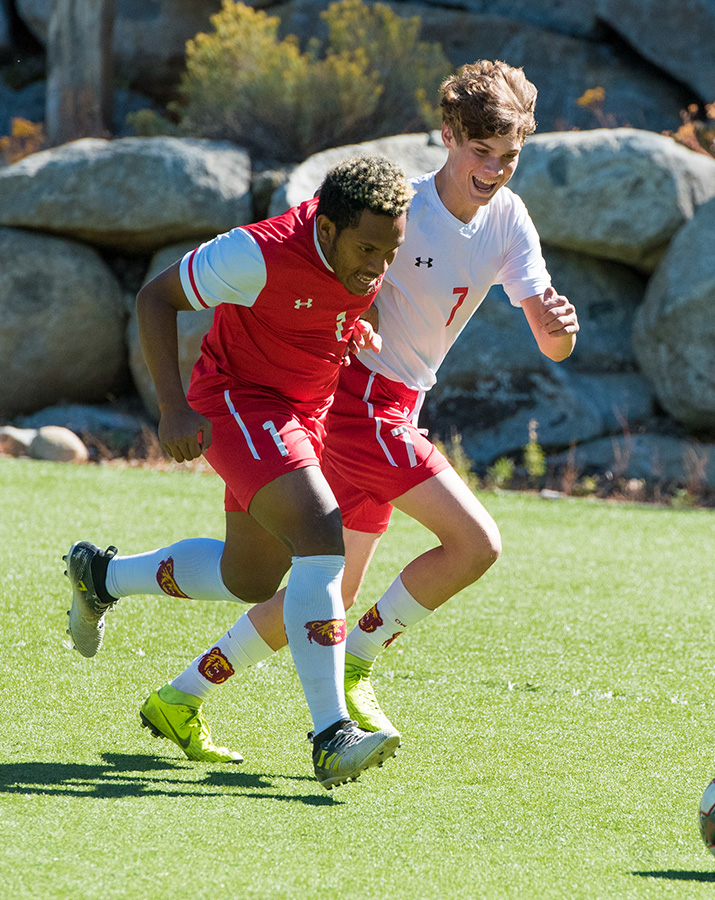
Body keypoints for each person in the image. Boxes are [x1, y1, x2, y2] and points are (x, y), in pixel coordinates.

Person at [66, 60, 579, 764]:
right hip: (360, 406)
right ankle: (344, 701)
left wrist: (560, 326)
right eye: (479, 152)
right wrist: (177, 402)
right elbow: (306, 266)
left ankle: (172, 684)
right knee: (472, 544)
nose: (492, 170)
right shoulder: (399, 212)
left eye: (508, 157)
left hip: (372, 402)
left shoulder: (509, 218)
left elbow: (551, 341)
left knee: (292, 584)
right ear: (448, 136)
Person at [63, 155, 414, 790]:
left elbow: (332, 303)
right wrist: (172, 406)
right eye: (367, 249)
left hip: (301, 415)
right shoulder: (257, 253)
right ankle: (332, 733)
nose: (378, 267)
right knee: (320, 533)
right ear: (327, 230)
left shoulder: (363, 251)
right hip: (236, 402)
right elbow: (156, 297)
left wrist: (352, 327)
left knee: (249, 577)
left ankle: (101, 574)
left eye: (390, 253)